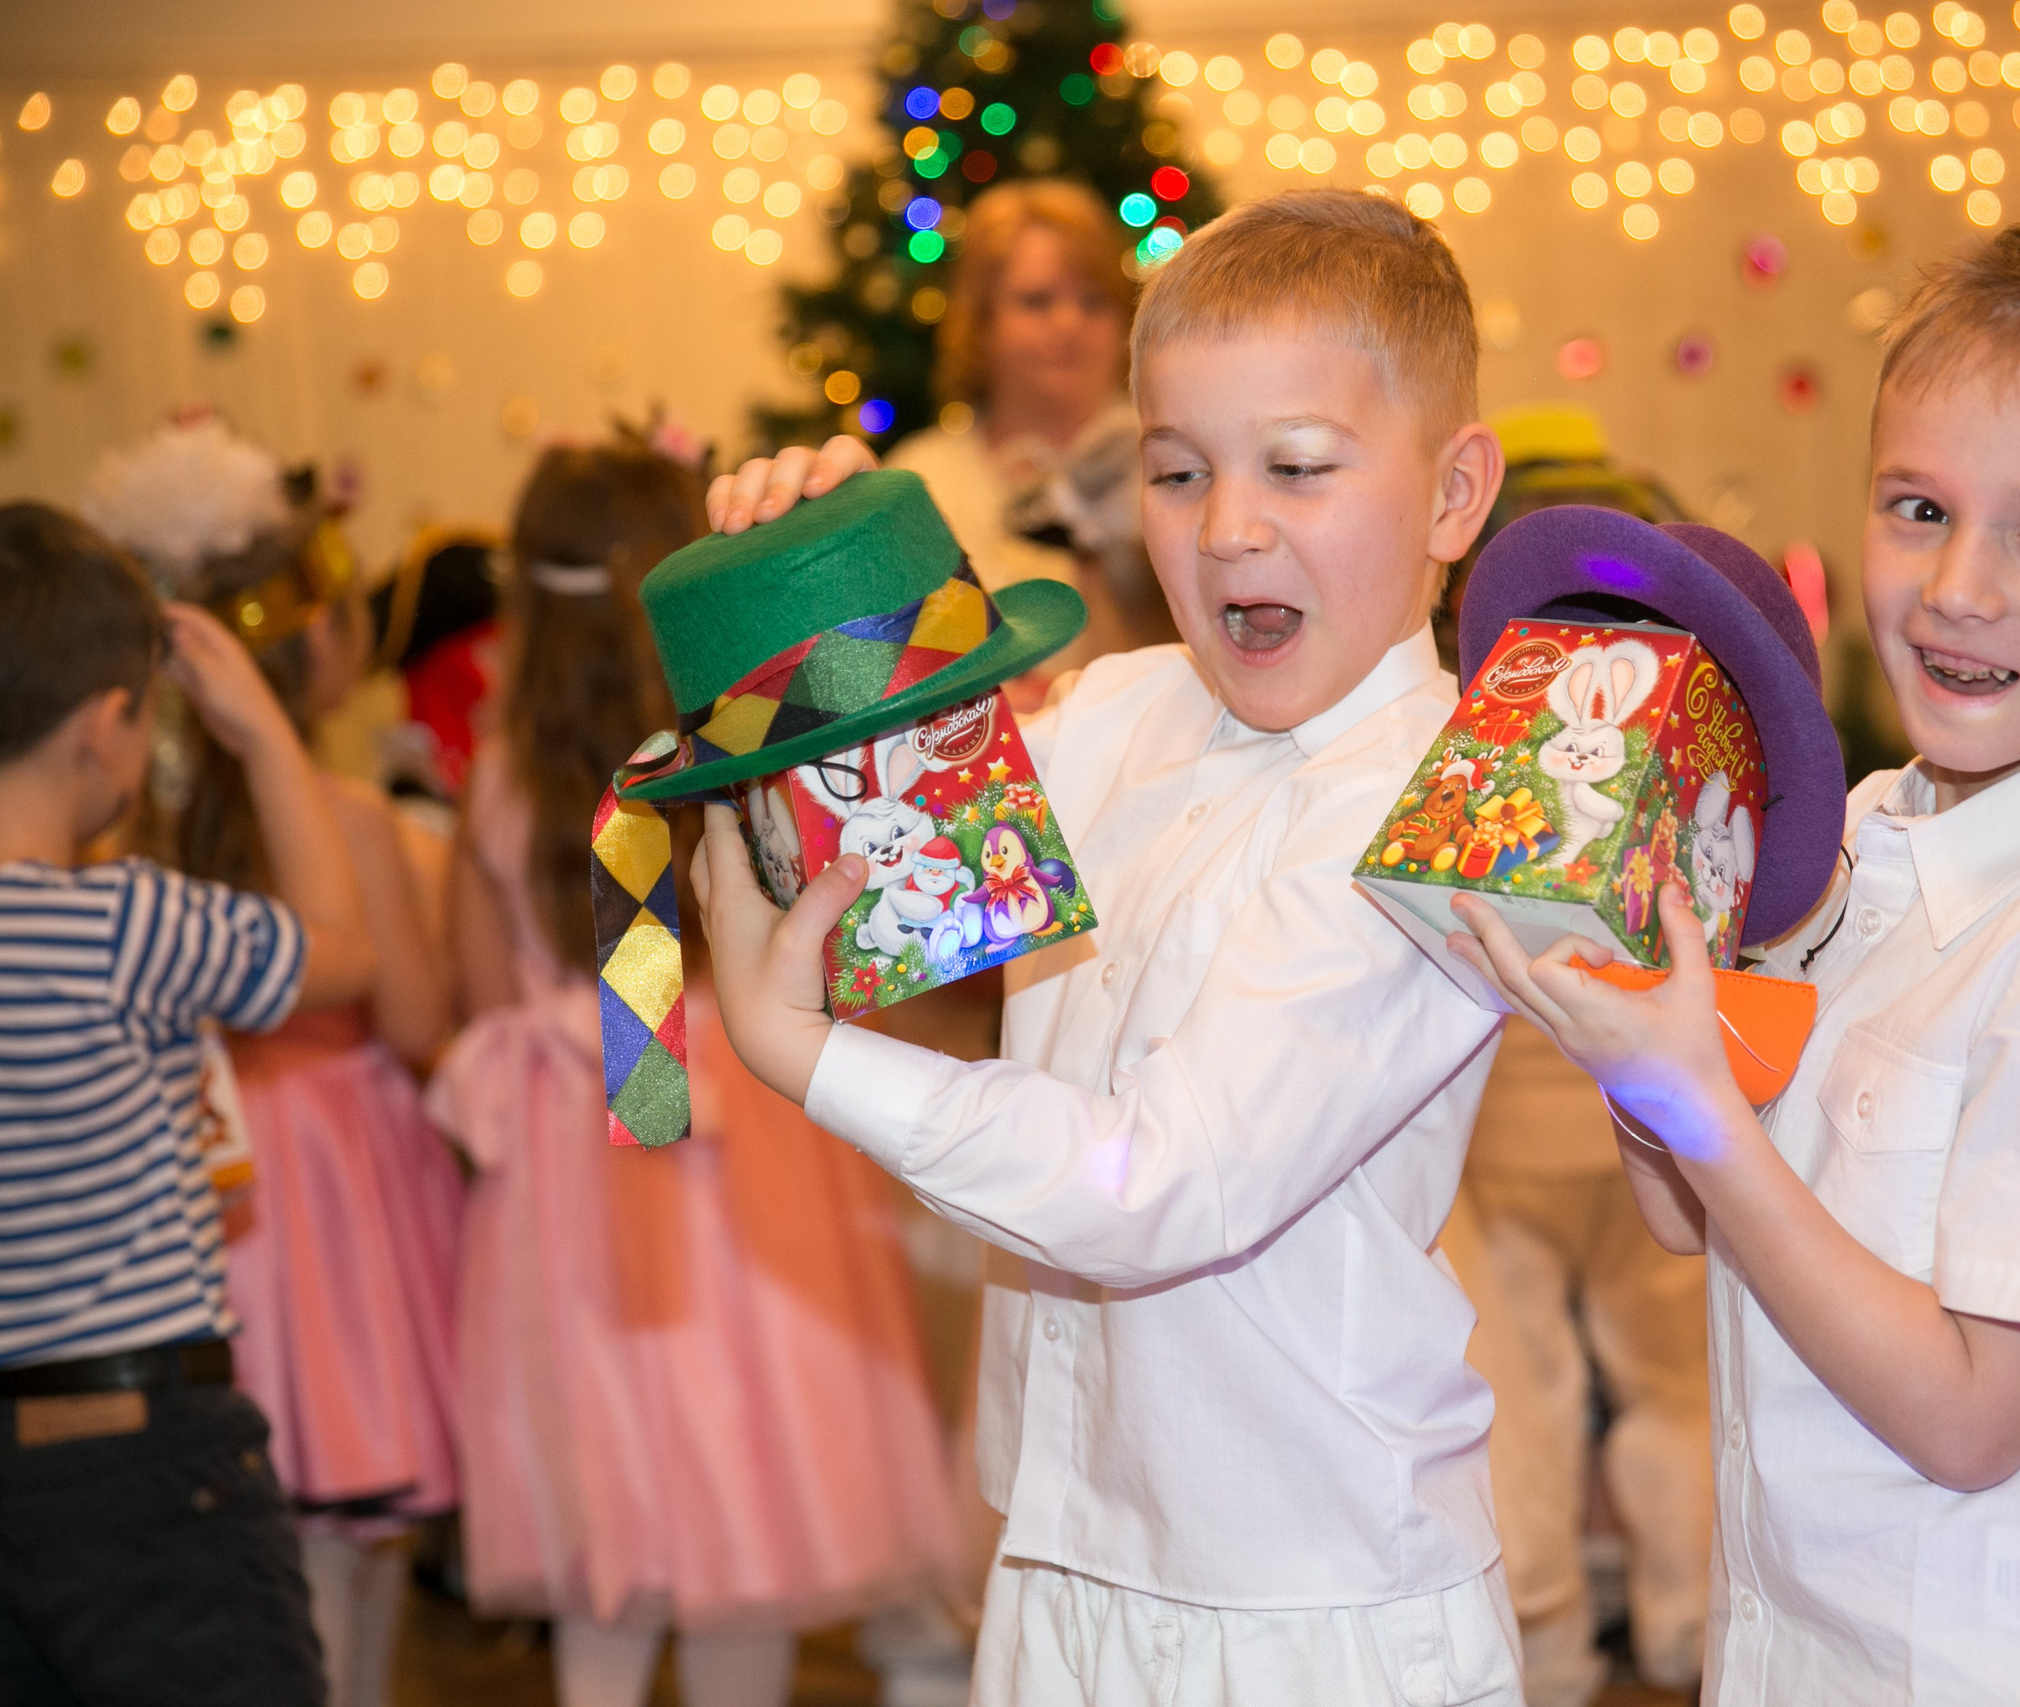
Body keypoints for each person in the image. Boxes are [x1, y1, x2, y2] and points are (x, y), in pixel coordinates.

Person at [1452, 221, 2020, 1703]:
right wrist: (1637, 1020)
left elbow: (1975, 1414)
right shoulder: (1858, 839)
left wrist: (1703, 1113)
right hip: (1798, 1645)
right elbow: (1686, 1220)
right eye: (1919, 506)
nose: (1959, 585)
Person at [699, 188, 1527, 1705]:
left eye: (1297, 467)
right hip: (1064, 1557)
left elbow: (1166, 1179)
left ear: (1455, 493)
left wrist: (804, 1054)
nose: (1226, 526)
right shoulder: (1124, 714)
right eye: (1175, 468)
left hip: (1312, 1608)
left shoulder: (1446, 808)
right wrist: (820, 580)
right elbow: (892, 869)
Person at [429, 436, 958, 1707]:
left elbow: (468, 1000)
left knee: (601, 1528)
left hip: (573, 1182)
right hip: (748, 1147)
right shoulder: (740, 761)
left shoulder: (498, 785)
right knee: (753, 1504)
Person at [0, 503, 372, 1704]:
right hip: (143, 1470)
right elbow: (342, 953)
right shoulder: (128, 920)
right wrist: (266, 740)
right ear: (109, 728)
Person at [106, 434, 467, 1707]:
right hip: (346, 1194)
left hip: (202, 1180)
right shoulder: (353, 821)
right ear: (316, 652)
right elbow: (419, 1016)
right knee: (353, 1535)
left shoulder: (128, 831)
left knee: (245, 1536)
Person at [1448, 404, 1712, 1705]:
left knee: (1519, 1378)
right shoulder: (1684, 706)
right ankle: (1684, 1615)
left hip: (1504, 1099)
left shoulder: (1475, 713)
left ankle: (1544, 1637)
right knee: (1668, 1366)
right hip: (1641, 1091)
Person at [886, 179, 1170, 695]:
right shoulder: (921, 478)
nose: (1069, 323)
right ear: (980, 323)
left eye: (1094, 301)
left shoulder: (1174, 453)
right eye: (1037, 301)